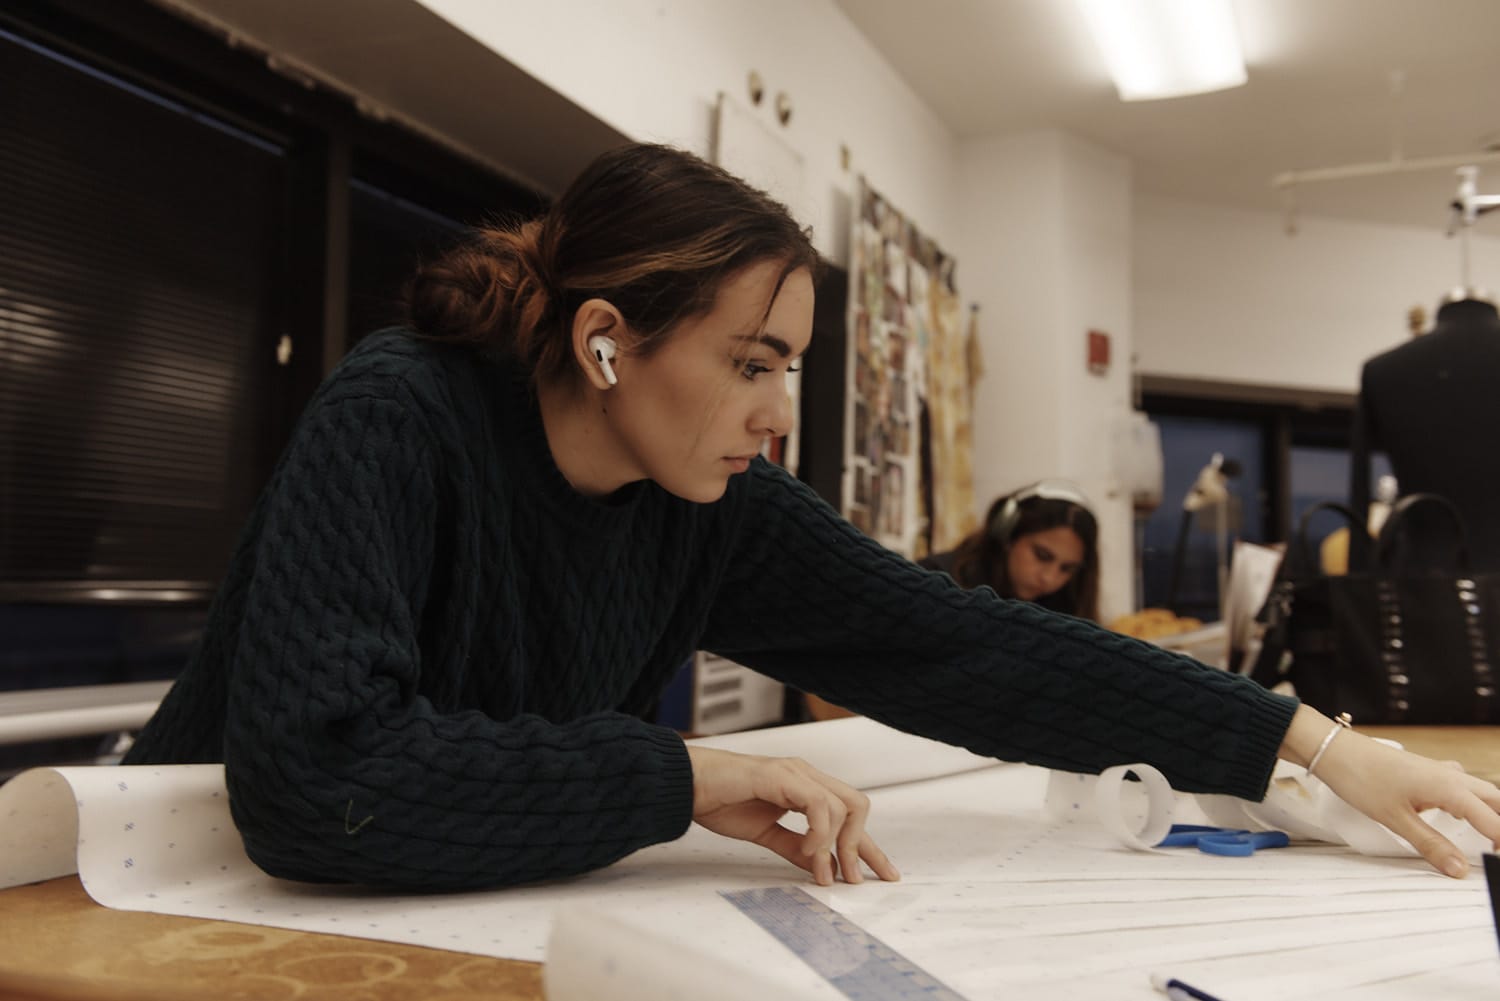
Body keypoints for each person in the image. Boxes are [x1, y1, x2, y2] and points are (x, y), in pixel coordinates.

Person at [124, 142, 1500, 892]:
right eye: (752, 363)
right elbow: (323, 783)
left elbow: (973, 650)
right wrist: (687, 777)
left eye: (793, 366)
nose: (781, 415)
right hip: (147, 898)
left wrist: (1320, 749)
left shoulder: (708, 506)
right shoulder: (399, 417)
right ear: (607, 342)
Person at [919, 481, 1099, 620]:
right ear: (1007, 533)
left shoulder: (1066, 609)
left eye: (1067, 568)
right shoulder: (936, 580)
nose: (1049, 578)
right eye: (1042, 556)